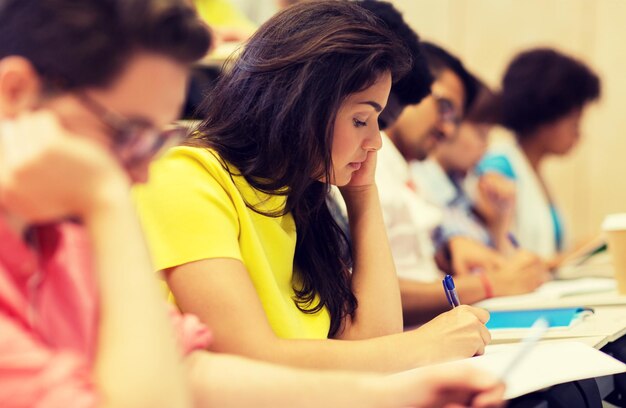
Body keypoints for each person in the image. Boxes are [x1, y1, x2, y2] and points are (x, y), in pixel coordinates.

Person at [0, 1, 508, 407]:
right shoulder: (161, 189)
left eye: (154, 141)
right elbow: (216, 369)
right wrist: (106, 203)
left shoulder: (62, 241)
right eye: (127, 134)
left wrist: (396, 393)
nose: (142, 172)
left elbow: (192, 367)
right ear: (15, 93)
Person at [135, 1, 492, 372]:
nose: (376, 142)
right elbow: (250, 360)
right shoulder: (187, 179)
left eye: (376, 121)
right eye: (360, 119)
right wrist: (426, 345)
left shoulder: (297, 195)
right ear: (303, 105)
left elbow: (374, 338)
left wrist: (361, 193)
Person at [379, 42, 549, 326]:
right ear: (405, 87)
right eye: (443, 107)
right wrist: (490, 284)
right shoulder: (373, 162)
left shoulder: (403, 167)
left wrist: (450, 249)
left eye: (456, 120)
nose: (447, 129)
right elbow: (363, 295)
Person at [476, 48, 601, 265]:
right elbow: (509, 258)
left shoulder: (531, 169)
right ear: (546, 114)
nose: (579, 133)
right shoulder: (498, 167)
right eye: (574, 121)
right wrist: (575, 254)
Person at [412, 84, 518, 254]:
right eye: (481, 134)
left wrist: (499, 221)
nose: (485, 145)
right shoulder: (418, 183)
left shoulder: (462, 188)